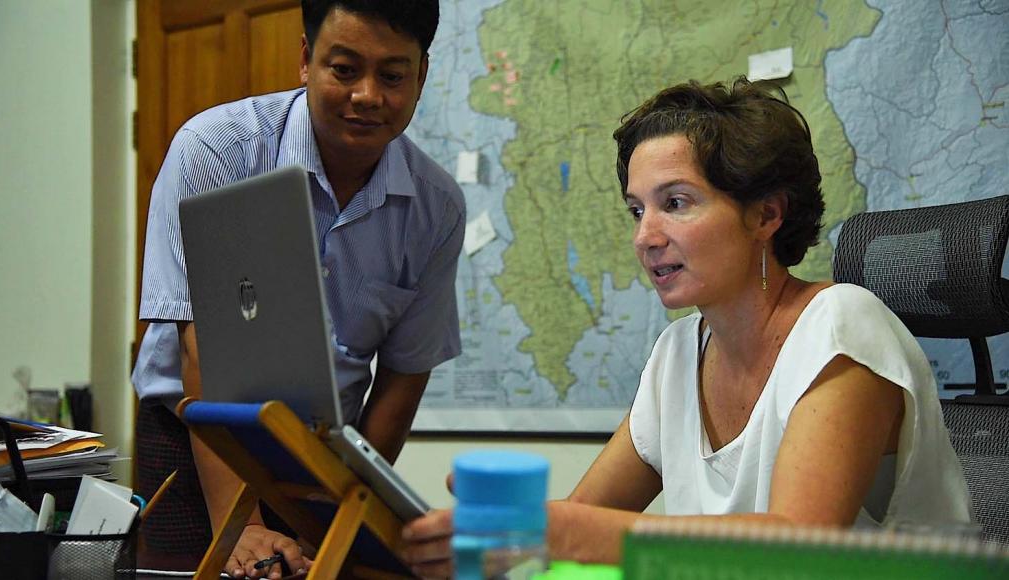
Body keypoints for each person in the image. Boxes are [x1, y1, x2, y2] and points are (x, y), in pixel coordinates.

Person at [400, 77, 970, 576]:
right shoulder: (677, 354)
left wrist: (560, 530)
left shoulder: (844, 324)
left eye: (675, 202)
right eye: (636, 209)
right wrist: (495, 540)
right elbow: (582, 519)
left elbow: (798, 550)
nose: (645, 236)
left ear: (766, 214)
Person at [132, 0, 463, 577]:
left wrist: (342, 515)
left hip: (325, 456)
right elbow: (201, 349)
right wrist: (244, 525)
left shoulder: (436, 208)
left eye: (392, 75)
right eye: (344, 68)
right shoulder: (216, 151)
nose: (367, 96)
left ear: (421, 76)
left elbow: (402, 379)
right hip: (194, 440)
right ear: (307, 60)